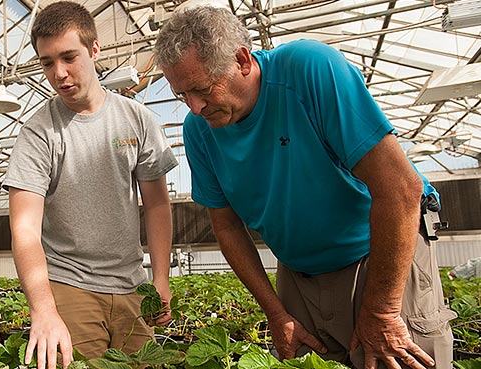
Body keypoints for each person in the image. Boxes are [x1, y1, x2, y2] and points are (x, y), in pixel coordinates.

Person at [153, 4, 456, 369]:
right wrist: (277, 313)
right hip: (299, 273)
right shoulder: (198, 130)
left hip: (378, 254)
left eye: (202, 89)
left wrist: (383, 309)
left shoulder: (309, 70)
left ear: (242, 60)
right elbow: (227, 226)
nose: (195, 106)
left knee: (394, 356)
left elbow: (400, 190)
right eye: (181, 94)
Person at [3, 2, 178, 369]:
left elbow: (158, 204)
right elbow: (25, 231)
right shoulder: (39, 132)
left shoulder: (137, 119)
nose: (60, 73)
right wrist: (45, 310)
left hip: (132, 286)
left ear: (94, 49)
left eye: (69, 57)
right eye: (47, 62)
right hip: (69, 286)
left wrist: (160, 277)